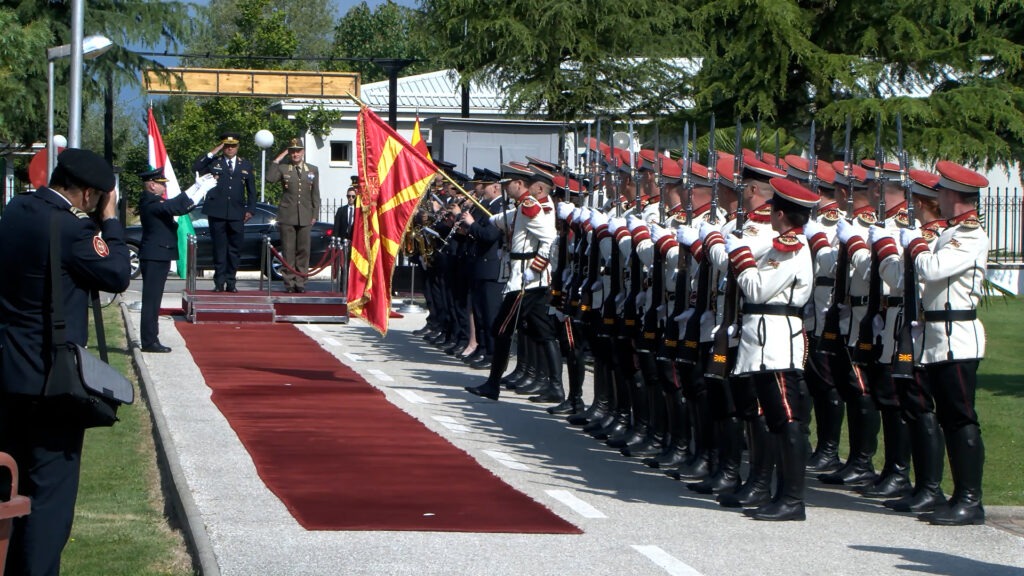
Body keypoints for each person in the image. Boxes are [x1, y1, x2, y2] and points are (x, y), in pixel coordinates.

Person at [0, 148, 131, 575]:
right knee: (50, 497)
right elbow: (117, 273)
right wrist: (110, 221)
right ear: (89, 194)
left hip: (9, 371)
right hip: (51, 380)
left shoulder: (17, 209)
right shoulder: (73, 229)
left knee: (10, 486)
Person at [900, 160, 989, 526]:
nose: (938, 196)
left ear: (954, 195)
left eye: (942, 191)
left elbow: (933, 269)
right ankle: (955, 495)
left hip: (957, 337)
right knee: (946, 418)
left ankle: (970, 499)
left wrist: (916, 245)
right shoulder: (949, 232)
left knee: (960, 417)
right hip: (936, 336)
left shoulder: (970, 234)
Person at [138, 167, 196, 353]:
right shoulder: (151, 203)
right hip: (154, 256)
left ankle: (151, 338)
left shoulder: (154, 202)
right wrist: (195, 189)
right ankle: (149, 341)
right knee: (151, 301)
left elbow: (177, 207)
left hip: (158, 255)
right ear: (152, 185)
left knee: (154, 300)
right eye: (161, 184)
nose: (164, 188)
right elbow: (174, 207)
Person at [192, 131, 256, 292]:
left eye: (233, 146)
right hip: (217, 212)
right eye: (227, 146)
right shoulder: (215, 162)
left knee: (235, 249)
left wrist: (251, 209)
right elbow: (197, 166)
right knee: (219, 248)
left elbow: (252, 190)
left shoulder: (245, 164)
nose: (230, 149)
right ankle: (219, 282)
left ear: (238, 147)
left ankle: (231, 282)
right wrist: (214, 150)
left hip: (237, 212)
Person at [267, 138, 321, 293]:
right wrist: (278, 159)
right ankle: (289, 282)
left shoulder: (312, 169)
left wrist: (314, 214)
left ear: (303, 152)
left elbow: (315, 194)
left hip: (305, 215)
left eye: (298, 151)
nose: (295, 154)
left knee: (304, 250)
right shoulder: (284, 168)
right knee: (288, 250)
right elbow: (270, 178)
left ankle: (301, 281)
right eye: (292, 151)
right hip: (287, 215)